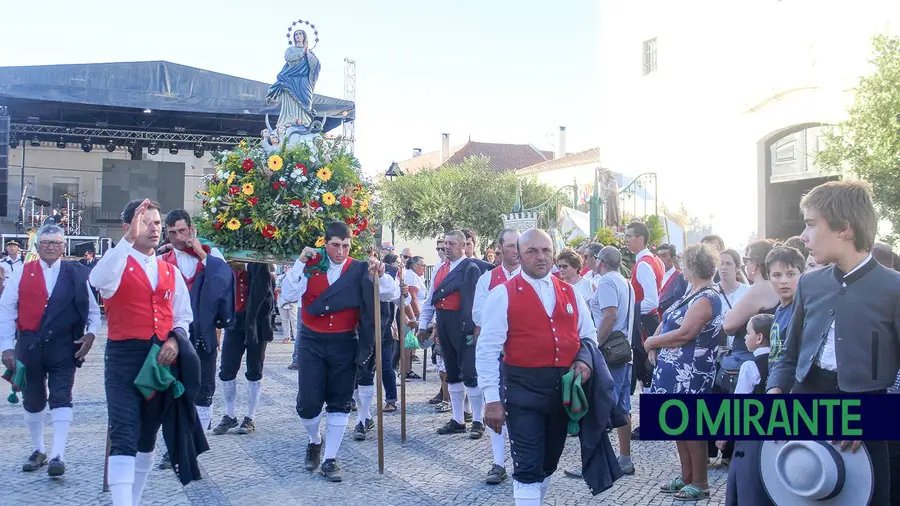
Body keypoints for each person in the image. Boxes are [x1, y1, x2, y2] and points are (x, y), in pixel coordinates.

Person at [767, 180, 900, 506]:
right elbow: (789, 351)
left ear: (845, 228)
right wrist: (775, 390)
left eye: (812, 224)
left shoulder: (893, 288)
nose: (803, 235)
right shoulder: (809, 283)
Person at [89, 199, 205, 506]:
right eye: (146, 222)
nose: (153, 229)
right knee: (125, 432)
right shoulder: (116, 264)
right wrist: (126, 241)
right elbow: (97, 280)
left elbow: (183, 316)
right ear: (128, 227)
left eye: (156, 223)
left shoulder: (170, 271)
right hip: (124, 359)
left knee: (148, 437)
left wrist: (176, 340)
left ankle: (134, 499)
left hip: (158, 360)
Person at [476, 229, 599, 506]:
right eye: (532, 251)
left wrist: (583, 360)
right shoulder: (502, 294)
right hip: (522, 391)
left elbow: (589, 336)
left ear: (553, 253)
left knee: (548, 463)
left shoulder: (571, 293)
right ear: (519, 255)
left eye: (545, 250)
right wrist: (492, 400)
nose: (540, 257)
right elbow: (487, 349)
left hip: (560, 393)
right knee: (528, 466)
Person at [280, 221, 393, 482]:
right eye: (335, 245)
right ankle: (314, 439)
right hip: (312, 341)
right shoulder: (310, 266)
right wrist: (300, 262)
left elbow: (390, 293)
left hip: (344, 342)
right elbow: (287, 294)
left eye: (345, 246)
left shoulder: (360, 268)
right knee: (307, 403)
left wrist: (381, 274)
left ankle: (330, 458)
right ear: (325, 243)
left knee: (339, 401)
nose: (340, 251)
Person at [0, 224, 100, 477]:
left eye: (56, 242)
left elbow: (93, 311)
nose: (51, 247)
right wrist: (6, 347)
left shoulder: (77, 273)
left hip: (65, 346)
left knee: (61, 396)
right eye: (46, 242)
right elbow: (6, 311)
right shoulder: (22, 273)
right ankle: (38, 450)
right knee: (33, 400)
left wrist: (90, 335)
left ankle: (58, 454)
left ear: (63, 246)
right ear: (37, 247)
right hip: (29, 345)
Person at [645, 243, 723, 501]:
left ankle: (700, 482)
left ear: (691, 267)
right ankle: (687, 476)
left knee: (691, 427)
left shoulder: (707, 297)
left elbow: (685, 333)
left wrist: (652, 343)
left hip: (691, 372)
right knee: (678, 424)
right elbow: (668, 320)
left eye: (683, 263)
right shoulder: (693, 293)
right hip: (677, 369)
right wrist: (655, 341)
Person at [159, 210, 233, 438]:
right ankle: (177, 443)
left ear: (191, 230)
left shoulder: (211, 254)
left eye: (182, 231)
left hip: (203, 331)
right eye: (172, 233)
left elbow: (224, 280)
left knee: (204, 389)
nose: (178, 237)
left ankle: (194, 442)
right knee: (174, 388)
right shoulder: (162, 260)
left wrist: (201, 253)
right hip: (173, 335)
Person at [417, 230, 483, 438]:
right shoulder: (439, 269)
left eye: (452, 243)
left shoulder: (470, 268)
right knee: (452, 372)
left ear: (464, 246)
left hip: (463, 324)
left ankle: (478, 420)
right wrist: (423, 324)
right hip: (444, 322)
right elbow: (430, 299)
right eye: (445, 243)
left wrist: (473, 326)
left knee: (470, 373)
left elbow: (473, 300)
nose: (447, 247)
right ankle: (458, 419)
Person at [472, 228, 520, 485]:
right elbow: (478, 314)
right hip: (499, 350)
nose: (515, 251)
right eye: (511, 246)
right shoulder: (487, 279)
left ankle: (523, 459)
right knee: (496, 403)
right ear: (501, 247)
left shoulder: (530, 277)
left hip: (524, 352)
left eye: (518, 246)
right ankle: (498, 461)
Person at [213, 262, 275, 435]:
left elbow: (265, 291)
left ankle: (250, 417)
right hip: (234, 321)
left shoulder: (260, 266)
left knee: (255, 370)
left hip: (256, 323)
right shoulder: (227, 266)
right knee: (226, 369)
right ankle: (230, 415)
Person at [721, 313, 776, 506]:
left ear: (759, 338)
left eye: (748, 333)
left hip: (751, 435)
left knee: (746, 482)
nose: (745, 337)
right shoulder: (781, 363)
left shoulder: (750, 366)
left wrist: (725, 435)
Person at [352, 252, 402, 438]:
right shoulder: (349, 269)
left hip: (377, 331)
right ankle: (365, 416)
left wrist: (403, 295)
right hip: (350, 329)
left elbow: (398, 297)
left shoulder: (387, 271)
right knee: (353, 377)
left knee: (370, 371)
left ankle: (362, 420)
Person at [267, 29, 321, 129]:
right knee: (290, 99)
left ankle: (305, 120)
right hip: (290, 78)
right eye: (296, 34)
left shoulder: (309, 52)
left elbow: (315, 65)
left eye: (300, 34)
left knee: (306, 100)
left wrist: (308, 54)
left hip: (304, 80)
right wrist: (301, 54)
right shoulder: (290, 49)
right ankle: (288, 119)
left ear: (304, 37)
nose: (298, 36)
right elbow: (288, 58)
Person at [764, 246, 805, 370]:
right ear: (769, 278)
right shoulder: (779, 310)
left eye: (791, 274)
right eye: (777, 275)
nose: (784, 281)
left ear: (802, 275)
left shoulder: (801, 311)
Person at [656, 244, 688, 314]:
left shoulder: (681, 277)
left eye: (664, 256)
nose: (660, 259)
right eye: (658, 256)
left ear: (673, 258)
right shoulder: (653, 276)